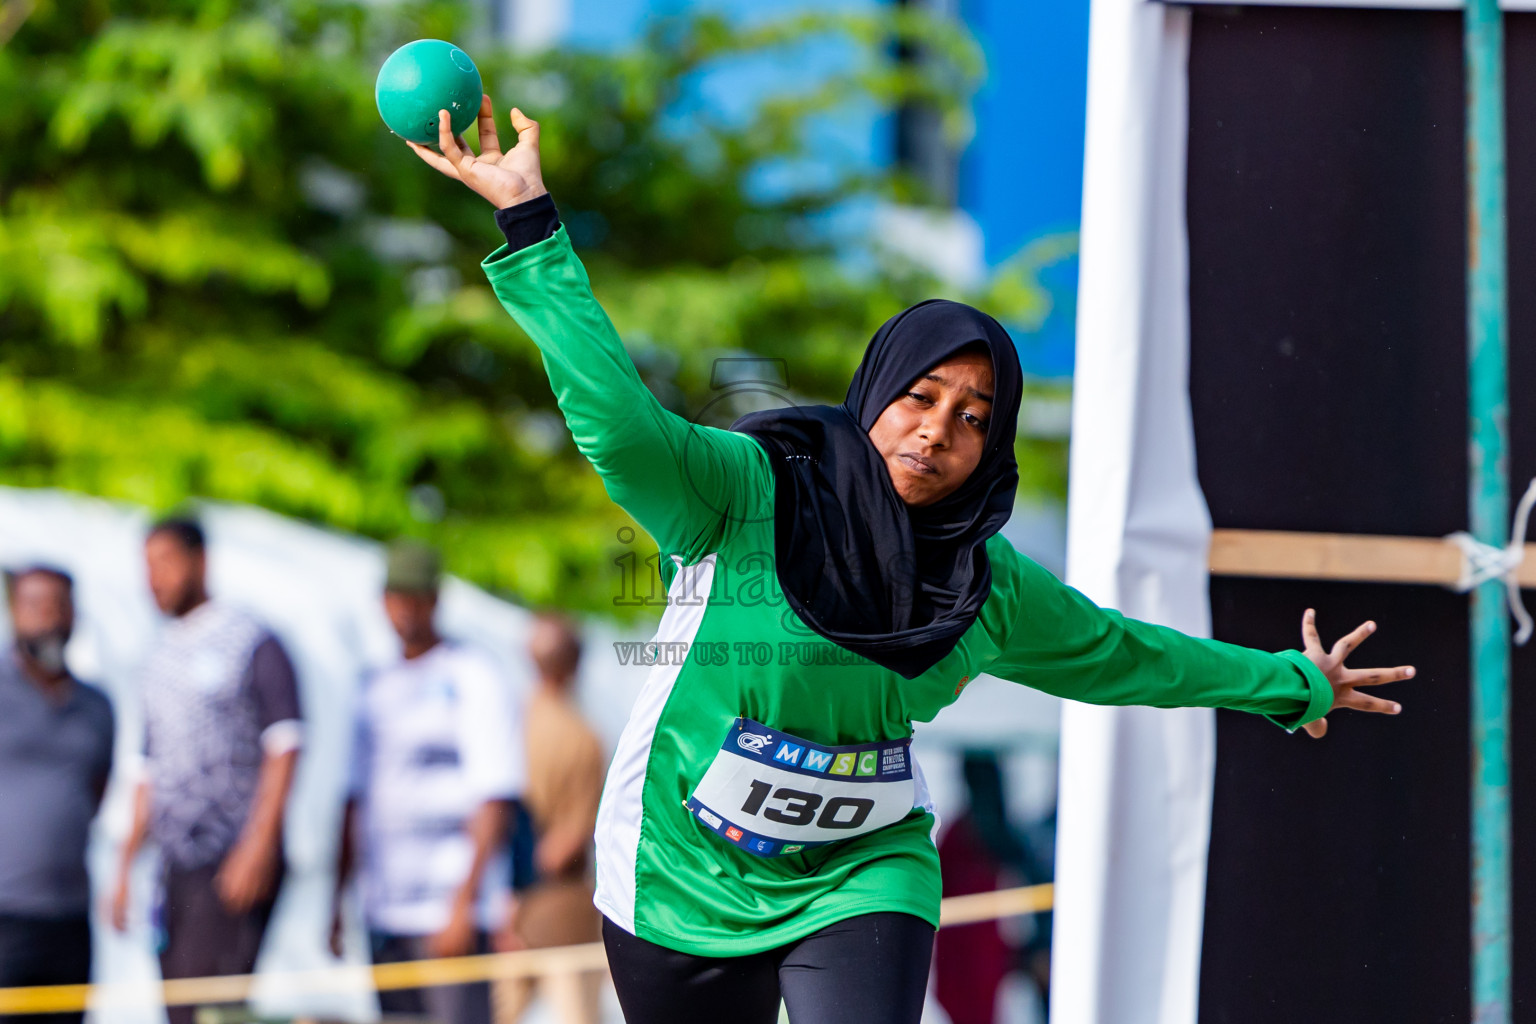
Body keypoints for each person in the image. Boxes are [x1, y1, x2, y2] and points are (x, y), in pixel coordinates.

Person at [406, 99, 1415, 1024]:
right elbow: (621, 425)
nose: (937, 433)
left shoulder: (987, 583)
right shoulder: (753, 489)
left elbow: (1124, 656)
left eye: (973, 420)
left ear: (993, 449)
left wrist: (1288, 681)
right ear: (876, 389)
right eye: (921, 398)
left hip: (862, 865)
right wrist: (532, 226)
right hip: (676, 867)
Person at [111, 518, 303, 1024]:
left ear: (200, 561)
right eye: (147, 567)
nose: (155, 579)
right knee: (176, 1006)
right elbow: (147, 771)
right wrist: (124, 868)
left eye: (166, 563)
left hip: (232, 856)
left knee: (213, 1009)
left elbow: (285, 745)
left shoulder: (250, 640)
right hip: (177, 865)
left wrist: (259, 845)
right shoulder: (157, 655)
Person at [332, 540, 525, 1024]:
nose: (405, 611)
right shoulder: (372, 684)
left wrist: (463, 904)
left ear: (436, 600)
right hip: (384, 910)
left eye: (416, 598)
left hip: (448, 910)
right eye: (396, 597)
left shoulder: (472, 674)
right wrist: (337, 901)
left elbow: (495, 798)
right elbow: (355, 799)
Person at [0, 567, 114, 1024]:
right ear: (13, 611)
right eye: (36, 605)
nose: (49, 618)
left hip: (69, 914)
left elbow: (97, 790)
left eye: (59, 605)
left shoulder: (95, 705)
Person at [494, 613, 606, 1024]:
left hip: (503, 909)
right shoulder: (583, 738)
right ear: (576, 665)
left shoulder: (505, 726)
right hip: (562, 909)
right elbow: (563, 847)